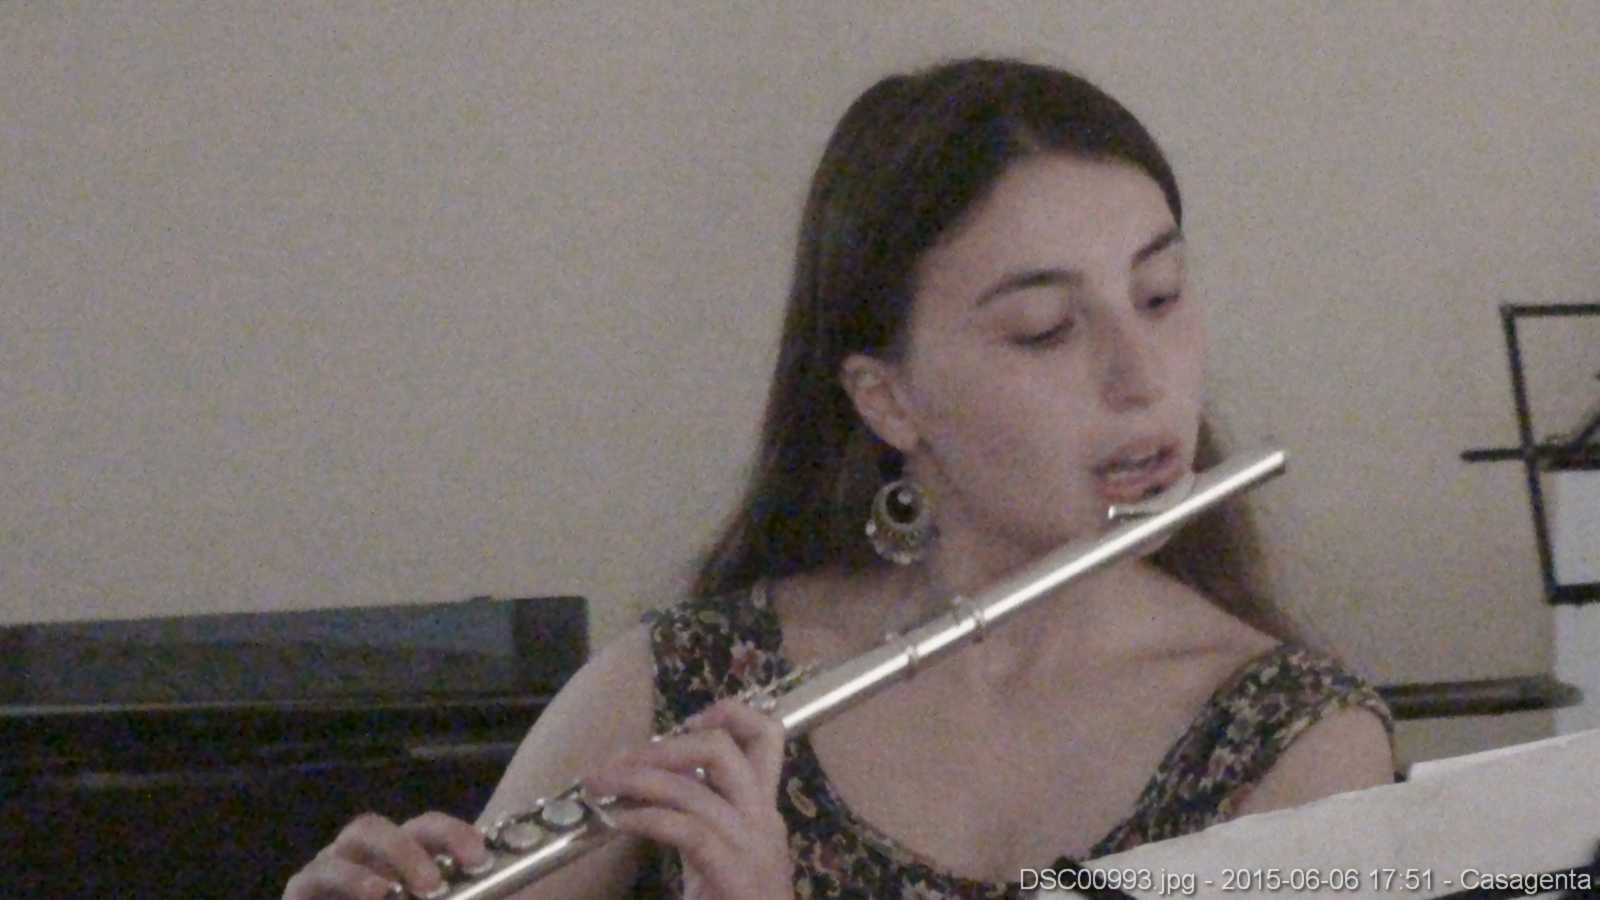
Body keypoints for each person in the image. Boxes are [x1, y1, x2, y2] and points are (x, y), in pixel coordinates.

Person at [284, 56, 1398, 900]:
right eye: (1046, 329)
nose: (1142, 378)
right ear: (887, 399)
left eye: (1159, 297)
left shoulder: (1290, 739)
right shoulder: (693, 688)